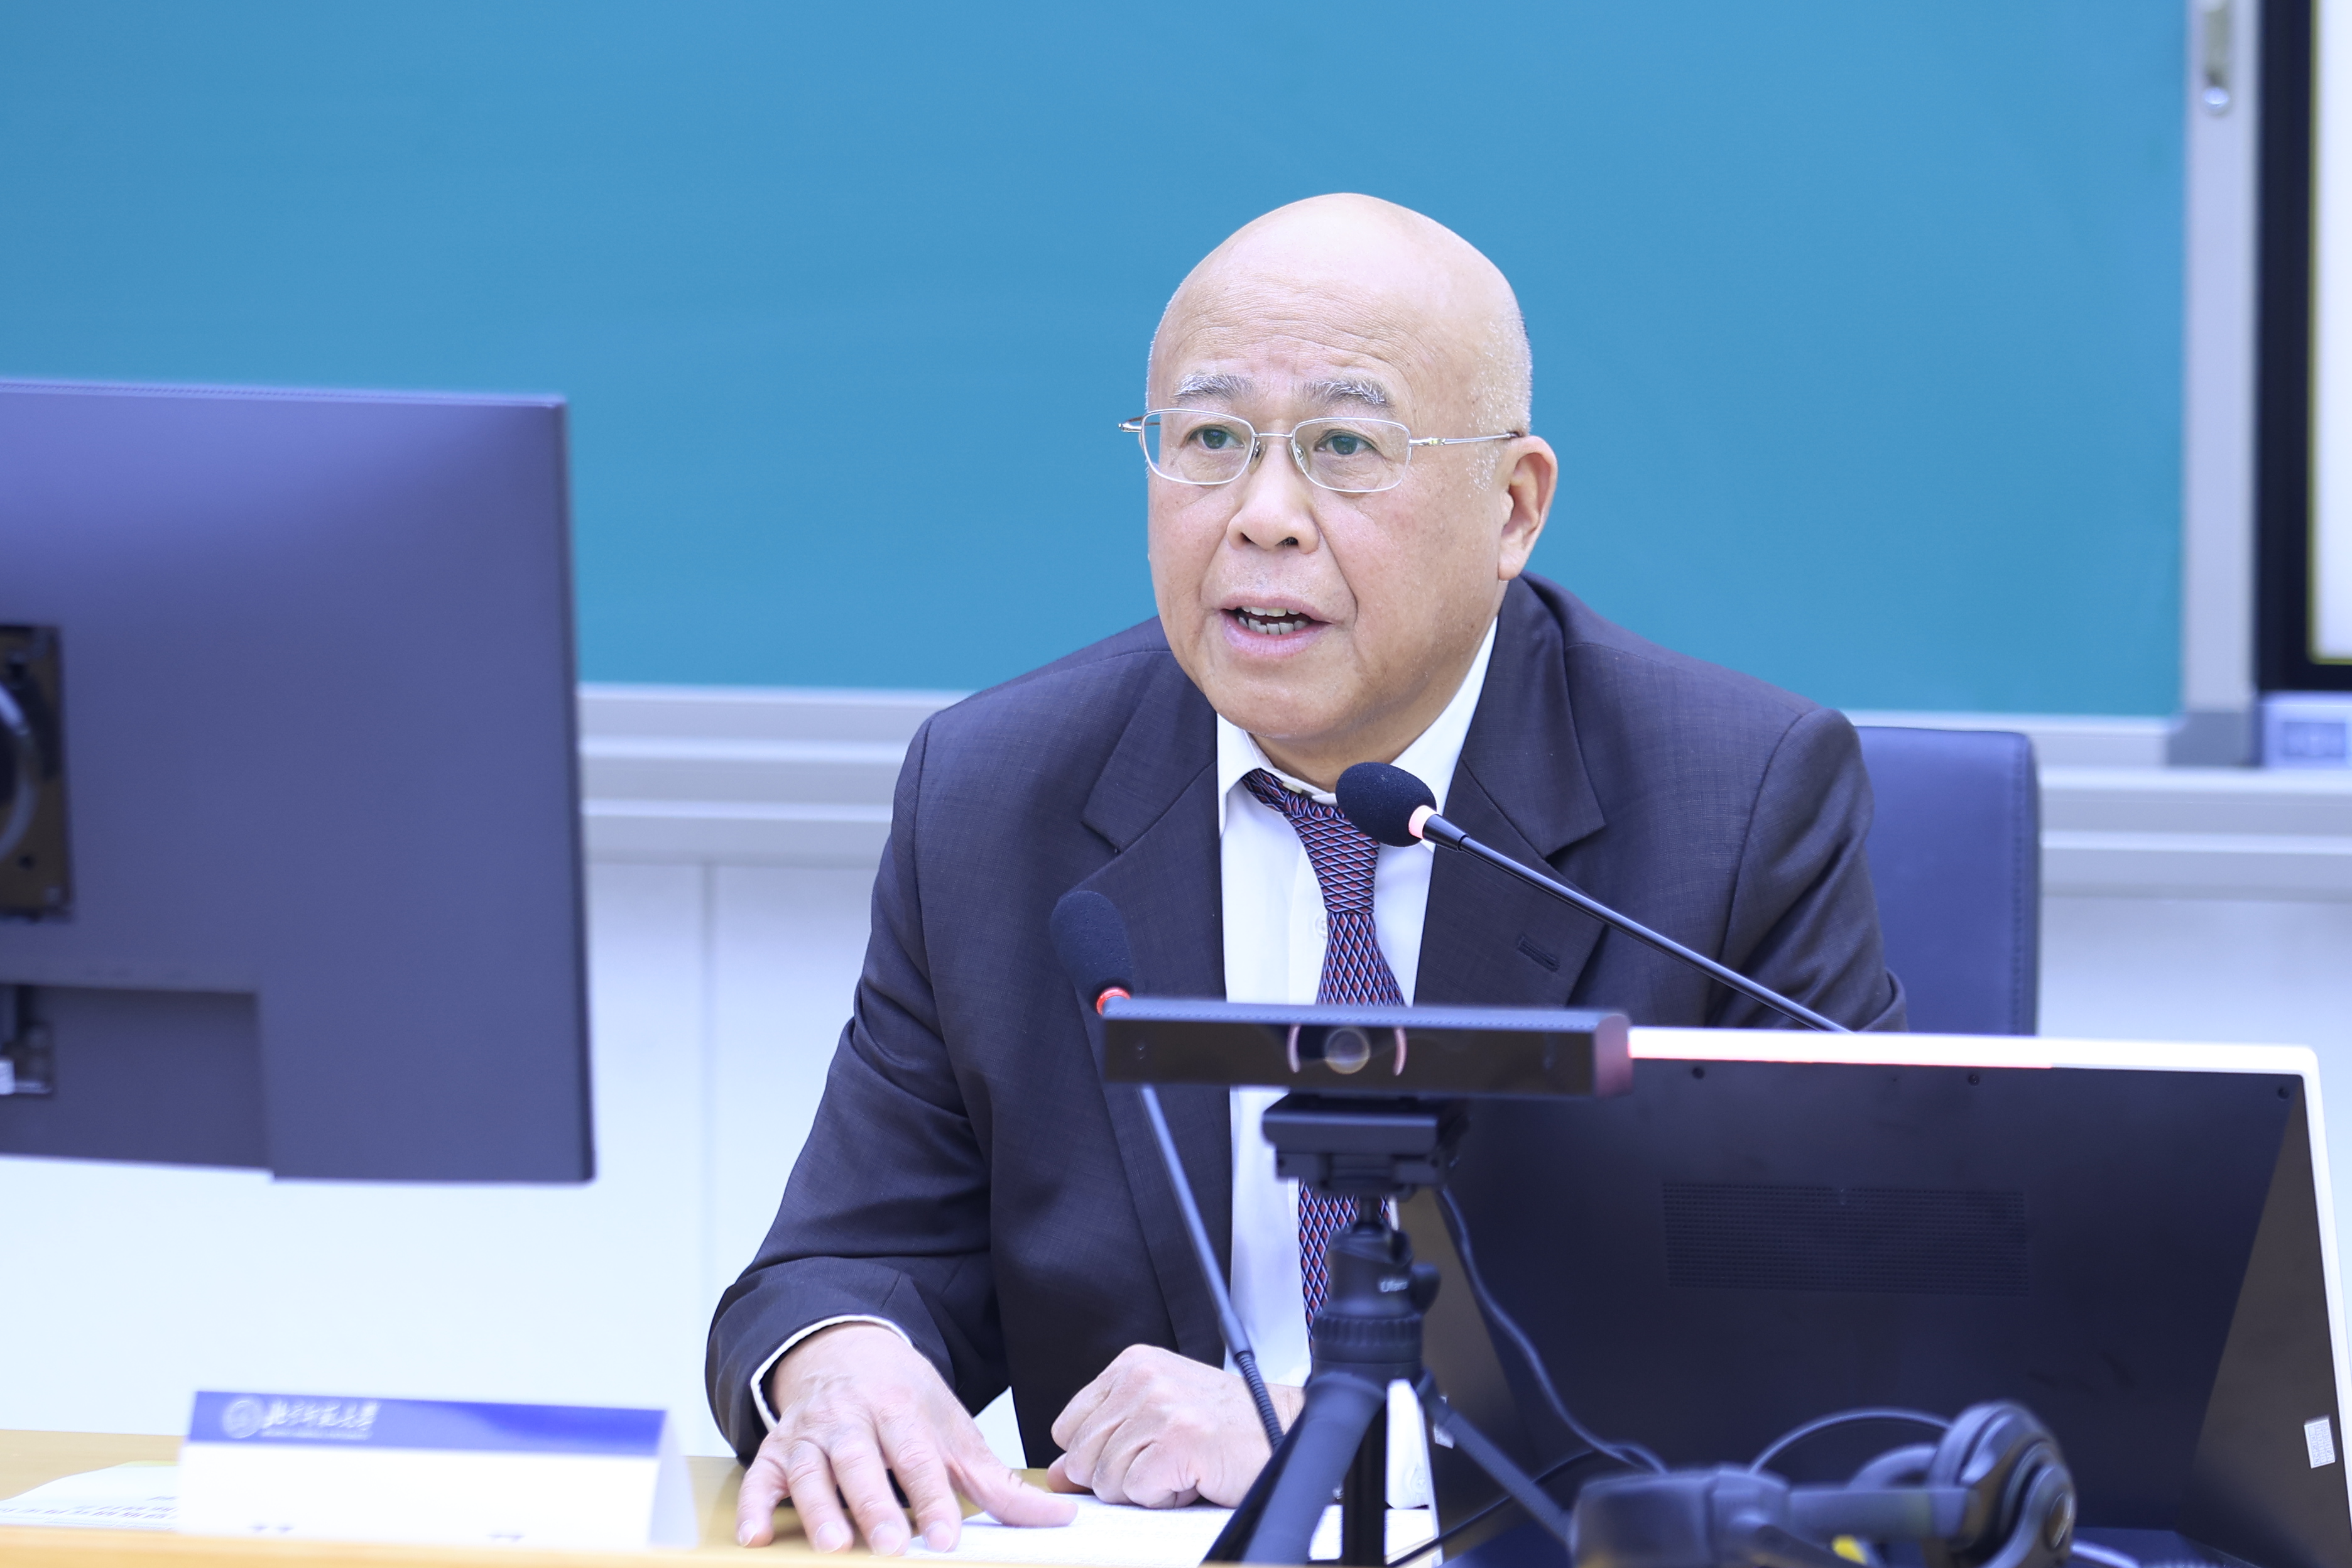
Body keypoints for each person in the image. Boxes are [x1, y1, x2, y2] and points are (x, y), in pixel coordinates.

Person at [709, 193, 1904, 1554]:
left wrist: (1340, 1434)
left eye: (1345, 447)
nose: (1262, 516)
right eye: (1210, 440)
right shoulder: (994, 799)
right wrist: (843, 1362)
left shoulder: (1735, 807)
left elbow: (1841, 1340)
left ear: (1513, 508)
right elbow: (841, 1259)